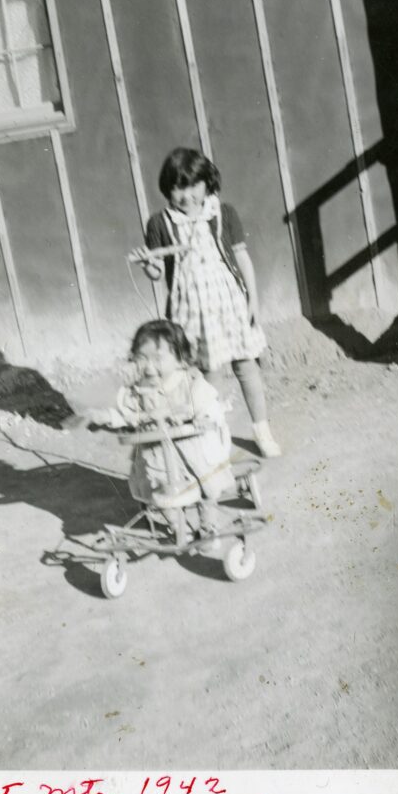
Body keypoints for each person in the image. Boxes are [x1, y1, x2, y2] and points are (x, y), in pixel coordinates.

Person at [130, 147, 281, 457]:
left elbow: (242, 257)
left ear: (207, 182)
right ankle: (217, 437)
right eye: (178, 187)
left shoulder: (223, 213)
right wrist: (148, 263)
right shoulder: (160, 223)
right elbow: (158, 272)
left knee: (245, 366)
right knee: (209, 375)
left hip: (230, 304)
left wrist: (252, 300)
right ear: (167, 189)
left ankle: (262, 430)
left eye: (193, 185)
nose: (186, 195)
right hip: (192, 311)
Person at [87, 320, 235, 526]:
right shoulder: (136, 392)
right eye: (142, 359)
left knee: (204, 484)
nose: (149, 367)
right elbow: (126, 415)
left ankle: (208, 522)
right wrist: (106, 417)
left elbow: (209, 404)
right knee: (158, 490)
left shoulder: (190, 386)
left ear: (180, 360)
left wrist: (204, 417)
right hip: (156, 455)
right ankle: (174, 523)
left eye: (158, 359)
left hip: (190, 451)